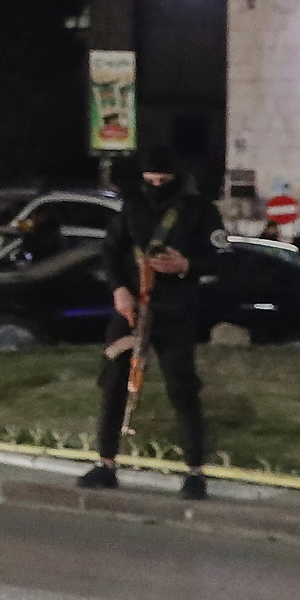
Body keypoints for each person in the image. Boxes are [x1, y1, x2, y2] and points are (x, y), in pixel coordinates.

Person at [75, 146, 217, 501]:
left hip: (176, 309)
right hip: (131, 309)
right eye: (149, 178)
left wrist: (187, 265)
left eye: (162, 179)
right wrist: (119, 290)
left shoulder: (199, 210)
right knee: (113, 383)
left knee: (182, 388)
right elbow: (110, 250)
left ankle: (195, 473)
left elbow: (222, 259)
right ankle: (106, 464)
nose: (155, 184)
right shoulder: (133, 206)